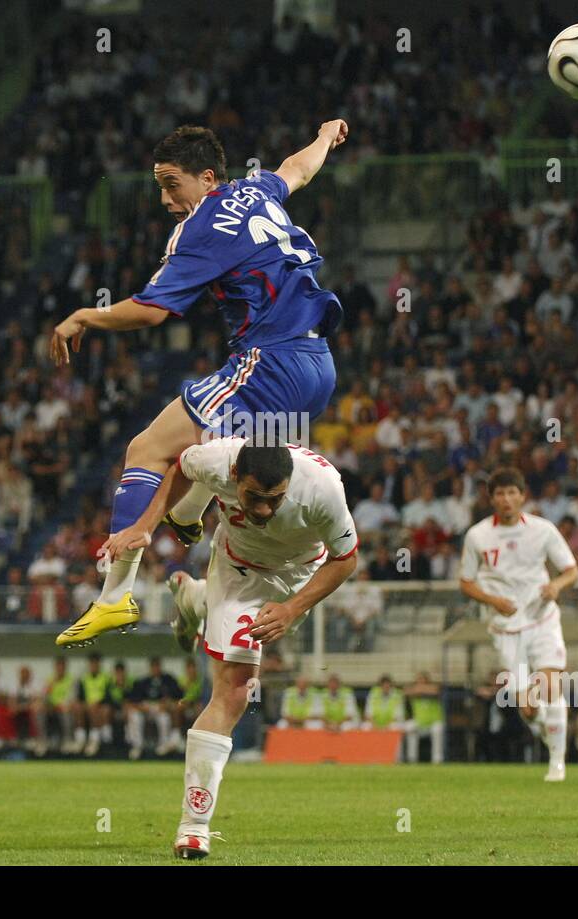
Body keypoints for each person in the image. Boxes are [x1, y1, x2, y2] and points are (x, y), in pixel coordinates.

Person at [51, 120, 350, 647]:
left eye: (172, 185)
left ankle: (114, 595)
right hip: (318, 365)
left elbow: (150, 311)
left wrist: (83, 317)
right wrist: (325, 137)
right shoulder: (254, 190)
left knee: (148, 448)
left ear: (206, 177)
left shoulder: (201, 226)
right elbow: (296, 170)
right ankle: (189, 530)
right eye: (159, 187)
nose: (166, 199)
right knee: (205, 454)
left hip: (271, 362)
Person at [103, 440, 358, 859]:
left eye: (273, 500)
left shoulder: (323, 489)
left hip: (300, 576)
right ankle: (194, 825)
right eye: (254, 497)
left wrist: (292, 609)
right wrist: (146, 524)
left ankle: (194, 600)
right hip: (240, 571)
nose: (262, 510)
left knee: (243, 646)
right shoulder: (217, 459)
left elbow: (346, 559)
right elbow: (180, 467)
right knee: (238, 689)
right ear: (235, 475)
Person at [459, 467, 578, 781]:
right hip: (505, 628)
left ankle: (557, 762)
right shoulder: (478, 536)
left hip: (542, 619)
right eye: (500, 493)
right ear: (491, 498)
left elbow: (571, 571)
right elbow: (466, 582)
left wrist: (556, 586)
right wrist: (493, 601)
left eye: (513, 492)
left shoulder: (543, 530)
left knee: (551, 686)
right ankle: (546, 728)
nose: (507, 499)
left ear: (522, 496)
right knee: (527, 707)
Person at [127, 657, 183, 759]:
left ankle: (164, 744)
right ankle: (137, 746)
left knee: (164, 718)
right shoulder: (143, 682)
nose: (155, 669)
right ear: (150, 668)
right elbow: (133, 702)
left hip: (160, 710)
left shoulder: (167, 680)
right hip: (146, 710)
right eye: (153, 666)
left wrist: (166, 704)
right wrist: (143, 707)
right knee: (134, 716)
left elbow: (177, 697)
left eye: (157, 666)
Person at [405, 671, 446, 764]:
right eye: (419, 680)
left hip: (434, 722)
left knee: (437, 729)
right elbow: (406, 691)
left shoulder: (433, 689)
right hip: (419, 723)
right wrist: (419, 690)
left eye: (423, 680)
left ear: (428, 681)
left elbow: (436, 690)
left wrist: (420, 689)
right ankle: (412, 759)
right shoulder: (413, 691)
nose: (421, 683)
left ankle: (437, 760)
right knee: (409, 727)